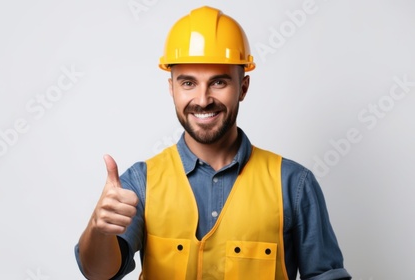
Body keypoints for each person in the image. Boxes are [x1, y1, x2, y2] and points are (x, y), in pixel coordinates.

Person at [74, 5, 351, 280]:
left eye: (218, 82)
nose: (203, 99)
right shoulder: (141, 182)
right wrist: (98, 230)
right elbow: (99, 273)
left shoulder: (293, 184)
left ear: (243, 87)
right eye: (188, 83)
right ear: (171, 88)